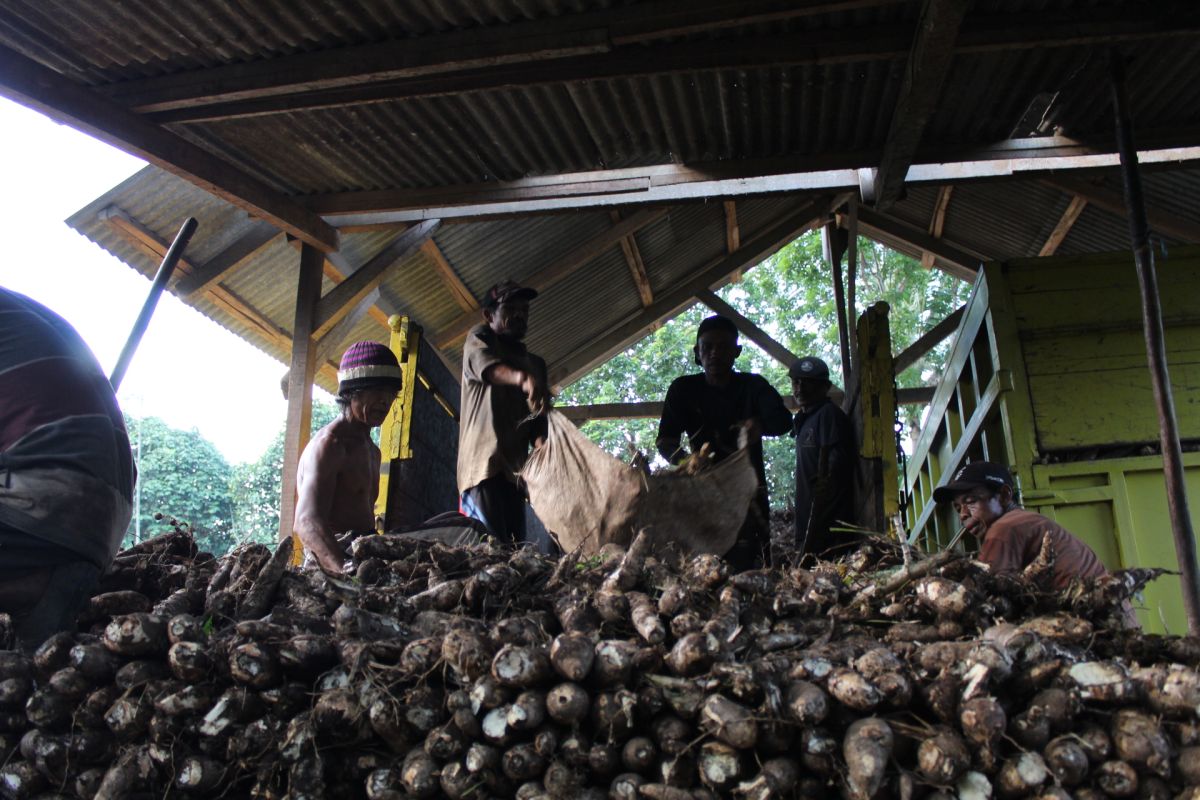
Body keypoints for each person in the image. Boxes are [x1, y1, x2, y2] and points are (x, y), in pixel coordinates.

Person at [0, 287, 135, 648]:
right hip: (98, 526)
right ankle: (34, 580)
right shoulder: (20, 309)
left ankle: (27, 573)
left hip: (38, 503)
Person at [656, 315, 792, 570]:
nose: (715, 353)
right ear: (698, 352)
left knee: (753, 566)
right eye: (707, 347)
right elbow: (665, 441)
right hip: (702, 491)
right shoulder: (683, 390)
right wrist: (689, 462)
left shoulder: (754, 386)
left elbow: (785, 422)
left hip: (748, 493)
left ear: (736, 351)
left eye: (723, 346)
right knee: (705, 565)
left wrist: (759, 425)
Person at [293, 341, 403, 572]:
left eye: (391, 392)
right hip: (335, 556)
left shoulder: (373, 451)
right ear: (351, 391)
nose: (386, 400)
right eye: (377, 390)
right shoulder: (329, 446)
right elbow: (306, 522)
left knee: (458, 524)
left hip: (366, 548)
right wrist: (343, 570)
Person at [457, 280, 550, 545]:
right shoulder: (480, 339)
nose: (520, 314)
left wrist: (543, 454)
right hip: (482, 470)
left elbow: (537, 421)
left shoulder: (535, 365)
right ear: (489, 315)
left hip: (515, 476)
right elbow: (490, 370)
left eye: (525, 309)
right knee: (488, 551)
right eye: (510, 308)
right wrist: (522, 379)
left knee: (513, 553)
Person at [791, 356, 858, 560]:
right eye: (796, 382)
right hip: (809, 522)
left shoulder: (828, 414)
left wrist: (822, 523)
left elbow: (836, 469)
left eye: (808, 382)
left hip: (827, 529)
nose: (800, 388)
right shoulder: (806, 419)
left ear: (825, 386)